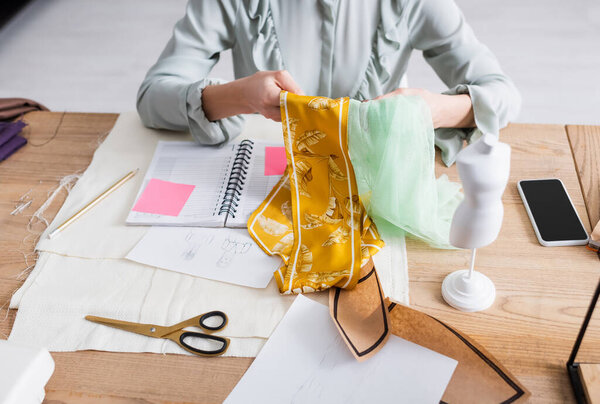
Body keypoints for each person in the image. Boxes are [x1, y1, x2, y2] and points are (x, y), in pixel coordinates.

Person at [137, 0, 520, 166]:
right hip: (261, 188)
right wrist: (239, 96)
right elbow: (153, 96)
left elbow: (503, 94)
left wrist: (436, 109)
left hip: (373, 195)